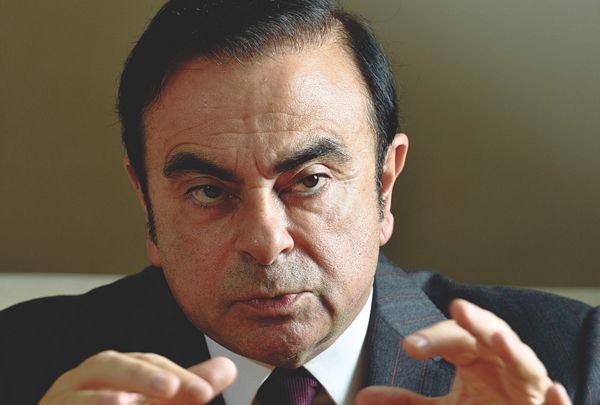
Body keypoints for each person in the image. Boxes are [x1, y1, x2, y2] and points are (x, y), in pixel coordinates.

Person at [0, 0, 598, 404]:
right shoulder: (21, 364)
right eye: (208, 191)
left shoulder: (574, 359)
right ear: (147, 204)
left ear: (384, 185)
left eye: (309, 180)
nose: (267, 243)